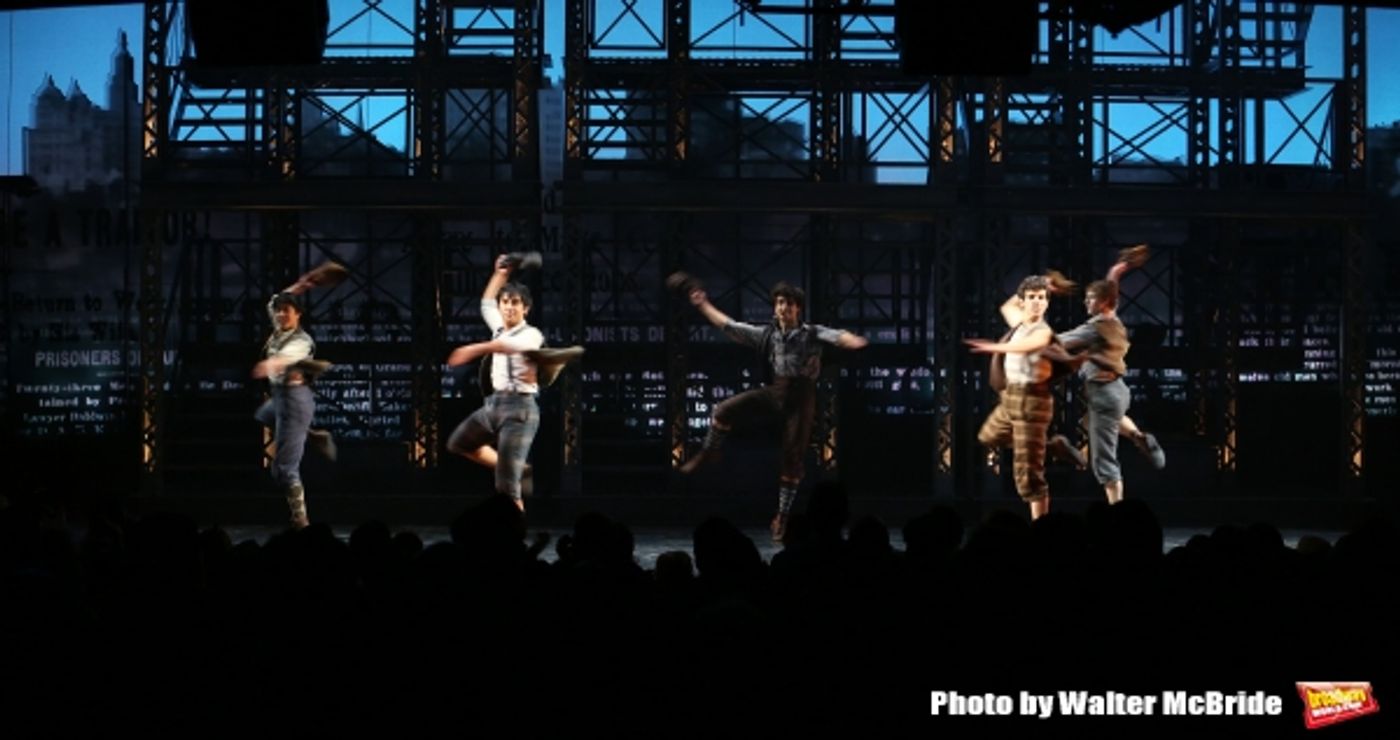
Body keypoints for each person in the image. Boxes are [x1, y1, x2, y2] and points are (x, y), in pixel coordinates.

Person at [678, 278, 868, 542]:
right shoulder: (766, 334)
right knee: (723, 410)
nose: (784, 308)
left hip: (802, 398)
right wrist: (703, 304)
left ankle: (782, 515)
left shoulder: (810, 333)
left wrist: (853, 340)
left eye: (789, 304)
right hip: (775, 391)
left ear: (798, 308)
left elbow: (837, 335)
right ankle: (710, 451)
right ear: (774, 308)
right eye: (780, 303)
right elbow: (728, 325)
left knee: (792, 460)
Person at [446, 254, 574, 512]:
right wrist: (500, 274)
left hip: (520, 409)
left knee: (506, 486)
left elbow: (507, 347)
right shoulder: (499, 328)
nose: (509, 307)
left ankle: (515, 537)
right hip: (493, 405)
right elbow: (486, 304)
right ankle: (518, 467)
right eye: (505, 302)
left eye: (515, 303)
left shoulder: (531, 334)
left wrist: (472, 349)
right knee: (459, 443)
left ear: (525, 308)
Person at [965, 273, 1073, 520]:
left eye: (1042, 298)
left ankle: (1041, 528)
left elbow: (1027, 346)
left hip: (1033, 401)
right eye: (1032, 297)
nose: (1038, 302)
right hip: (1010, 398)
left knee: (1027, 475)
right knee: (988, 435)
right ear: (1023, 301)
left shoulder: (1043, 331)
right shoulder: (1018, 322)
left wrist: (994, 347)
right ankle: (1049, 445)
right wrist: (1042, 281)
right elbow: (1007, 306)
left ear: (1047, 302)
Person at [252, 270, 338, 529]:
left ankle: (300, 519)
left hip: (295, 400)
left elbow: (287, 358)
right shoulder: (279, 325)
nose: (280, 315)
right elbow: (275, 300)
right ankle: (310, 432)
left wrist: (269, 364)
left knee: (283, 471)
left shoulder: (302, 341)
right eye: (279, 311)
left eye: (287, 311)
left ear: (298, 315)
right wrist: (300, 286)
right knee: (262, 414)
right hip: (279, 398)